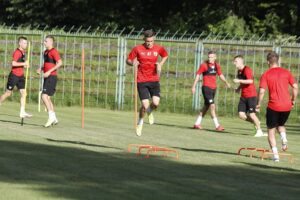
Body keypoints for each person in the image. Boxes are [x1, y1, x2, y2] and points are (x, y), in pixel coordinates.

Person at [257, 51, 298, 162]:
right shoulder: (287, 72)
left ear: (267, 62)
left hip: (274, 105)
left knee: (271, 130)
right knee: (281, 124)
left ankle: (276, 156)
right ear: (278, 60)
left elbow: (261, 91)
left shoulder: (266, 74)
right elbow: (295, 87)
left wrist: (258, 103)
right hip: (287, 106)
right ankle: (284, 139)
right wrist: (293, 100)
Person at [126, 29, 168, 136]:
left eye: (151, 41)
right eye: (147, 41)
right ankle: (140, 122)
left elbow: (165, 55)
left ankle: (149, 112)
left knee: (155, 103)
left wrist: (160, 64)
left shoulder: (158, 48)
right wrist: (133, 64)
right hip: (142, 80)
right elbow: (128, 60)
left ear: (154, 39)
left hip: (154, 79)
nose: (149, 43)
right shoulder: (137, 49)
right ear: (144, 39)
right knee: (145, 105)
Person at [191, 51, 230, 131]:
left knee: (206, 106)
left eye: (212, 57)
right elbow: (198, 75)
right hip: (206, 88)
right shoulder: (204, 65)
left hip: (213, 89)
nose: (210, 58)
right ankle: (217, 125)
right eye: (209, 57)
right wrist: (193, 86)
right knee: (212, 105)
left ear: (215, 58)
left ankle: (197, 123)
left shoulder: (217, 66)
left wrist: (226, 82)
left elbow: (220, 75)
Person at [233, 55, 265, 137]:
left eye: (236, 61)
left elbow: (250, 81)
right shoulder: (239, 71)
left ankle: (259, 131)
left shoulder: (247, 69)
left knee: (252, 114)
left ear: (240, 62)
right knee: (241, 115)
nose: (234, 63)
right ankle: (256, 122)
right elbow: (243, 82)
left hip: (251, 96)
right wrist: (239, 88)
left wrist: (239, 80)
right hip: (243, 96)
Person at [0, 36, 32, 118]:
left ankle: (22, 112)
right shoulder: (17, 52)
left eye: (26, 43)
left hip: (21, 76)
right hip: (14, 76)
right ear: (20, 43)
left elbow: (21, 64)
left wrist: (25, 66)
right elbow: (13, 63)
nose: (26, 45)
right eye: (24, 43)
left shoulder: (23, 52)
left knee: (24, 93)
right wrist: (24, 64)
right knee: (8, 93)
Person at [37, 35, 62, 127]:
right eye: (44, 41)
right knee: (47, 98)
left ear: (51, 42)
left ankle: (50, 117)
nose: (44, 42)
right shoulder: (45, 52)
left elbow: (60, 63)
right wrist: (41, 69)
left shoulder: (54, 51)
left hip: (52, 77)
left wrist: (49, 72)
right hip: (47, 76)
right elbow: (48, 63)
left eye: (46, 41)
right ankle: (54, 118)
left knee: (44, 96)